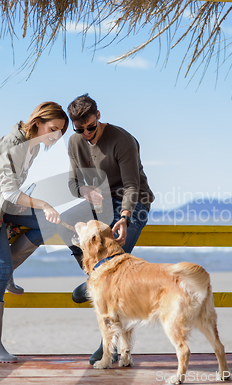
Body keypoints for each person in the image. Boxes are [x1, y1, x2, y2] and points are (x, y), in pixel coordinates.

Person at [0, 102, 69, 363]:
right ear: (38, 121)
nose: (55, 136)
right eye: (53, 129)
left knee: (49, 222)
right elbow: (8, 191)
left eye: (60, 133)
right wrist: (43, 203)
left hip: (5, 208)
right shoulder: (13, 143)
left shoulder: (32, 146)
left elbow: (12, 191)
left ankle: (8, 272)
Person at [57, 94, 154, 364]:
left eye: (90, 127)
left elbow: (133, 187)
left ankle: (107, 345)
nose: (86, 134)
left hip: (133, 203)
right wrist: (82, 189)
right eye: (79, 129)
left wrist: (124, 217)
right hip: (99, 202)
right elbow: (72, 182)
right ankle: (94, 279)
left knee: (116, 264)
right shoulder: (76, 142)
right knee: (65, 226)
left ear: (98, 115)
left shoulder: (122, 140)